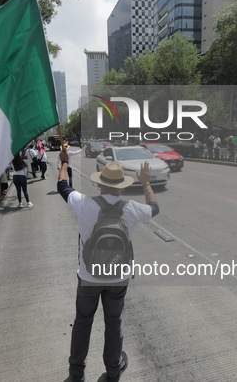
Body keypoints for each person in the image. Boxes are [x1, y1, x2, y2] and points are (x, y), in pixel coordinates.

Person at [57, 147, 159, 382]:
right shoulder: (132, 209)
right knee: (114, 323)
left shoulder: (83, 203)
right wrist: (146, 184)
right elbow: (155, 208)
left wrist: (64, 162)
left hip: (88, 276)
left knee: (83, 322)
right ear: (122, 187)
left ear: (99, 184)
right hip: (117, 278)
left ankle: (76, 375)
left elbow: (63, 186)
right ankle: (113, 372)